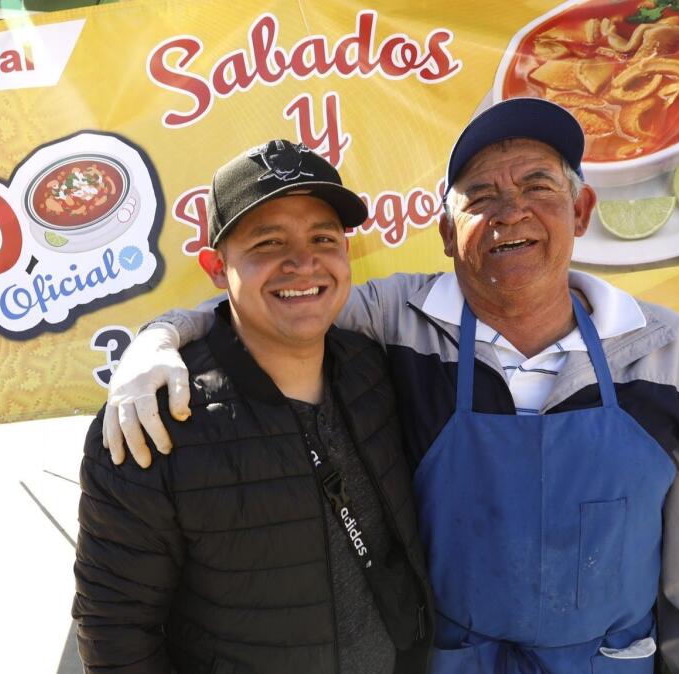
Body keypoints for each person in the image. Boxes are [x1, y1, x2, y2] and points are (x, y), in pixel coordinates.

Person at [100, 100, 679, 673]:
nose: (511, 212)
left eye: (539, 187)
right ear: (448, 237)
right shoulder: (394, 325)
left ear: (582, 210)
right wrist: (155, 342)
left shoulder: (675, 360)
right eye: (481, 196)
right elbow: (274, 303)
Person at [73, 140, 435, 673]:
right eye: (267, 243)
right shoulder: (152, 419)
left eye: (323, 238)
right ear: (217, 268)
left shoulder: (375, 371)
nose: (302, 262)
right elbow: (114, 629)